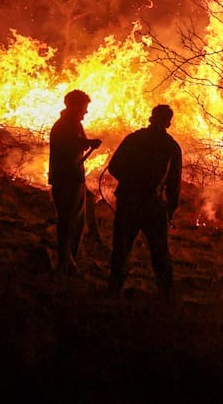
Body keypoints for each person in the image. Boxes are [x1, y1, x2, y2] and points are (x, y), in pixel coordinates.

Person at [105, 104, 183, 300]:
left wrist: (129, 181)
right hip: (153, 204)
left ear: (151, 118)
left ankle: (114, 289)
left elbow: (113, 166)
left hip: (129, 200)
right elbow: (174, 183)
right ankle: (166, 296)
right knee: (159, 252)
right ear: (169, 122)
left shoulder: (134, 139)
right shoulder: (171, 147)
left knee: (122, 248)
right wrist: (170, 208)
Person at [48, 89, 103, 276]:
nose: (86, 112)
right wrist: (89, 143)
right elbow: (70, 145)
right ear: (75, 106)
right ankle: (65, 262)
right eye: (84, 108)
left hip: (73, 178)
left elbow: (75, 143)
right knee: (68, 221)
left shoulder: (72, 124)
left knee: (76, 221)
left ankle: (70, 259)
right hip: (66, 180)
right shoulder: (65, 125)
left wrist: (87, 142)